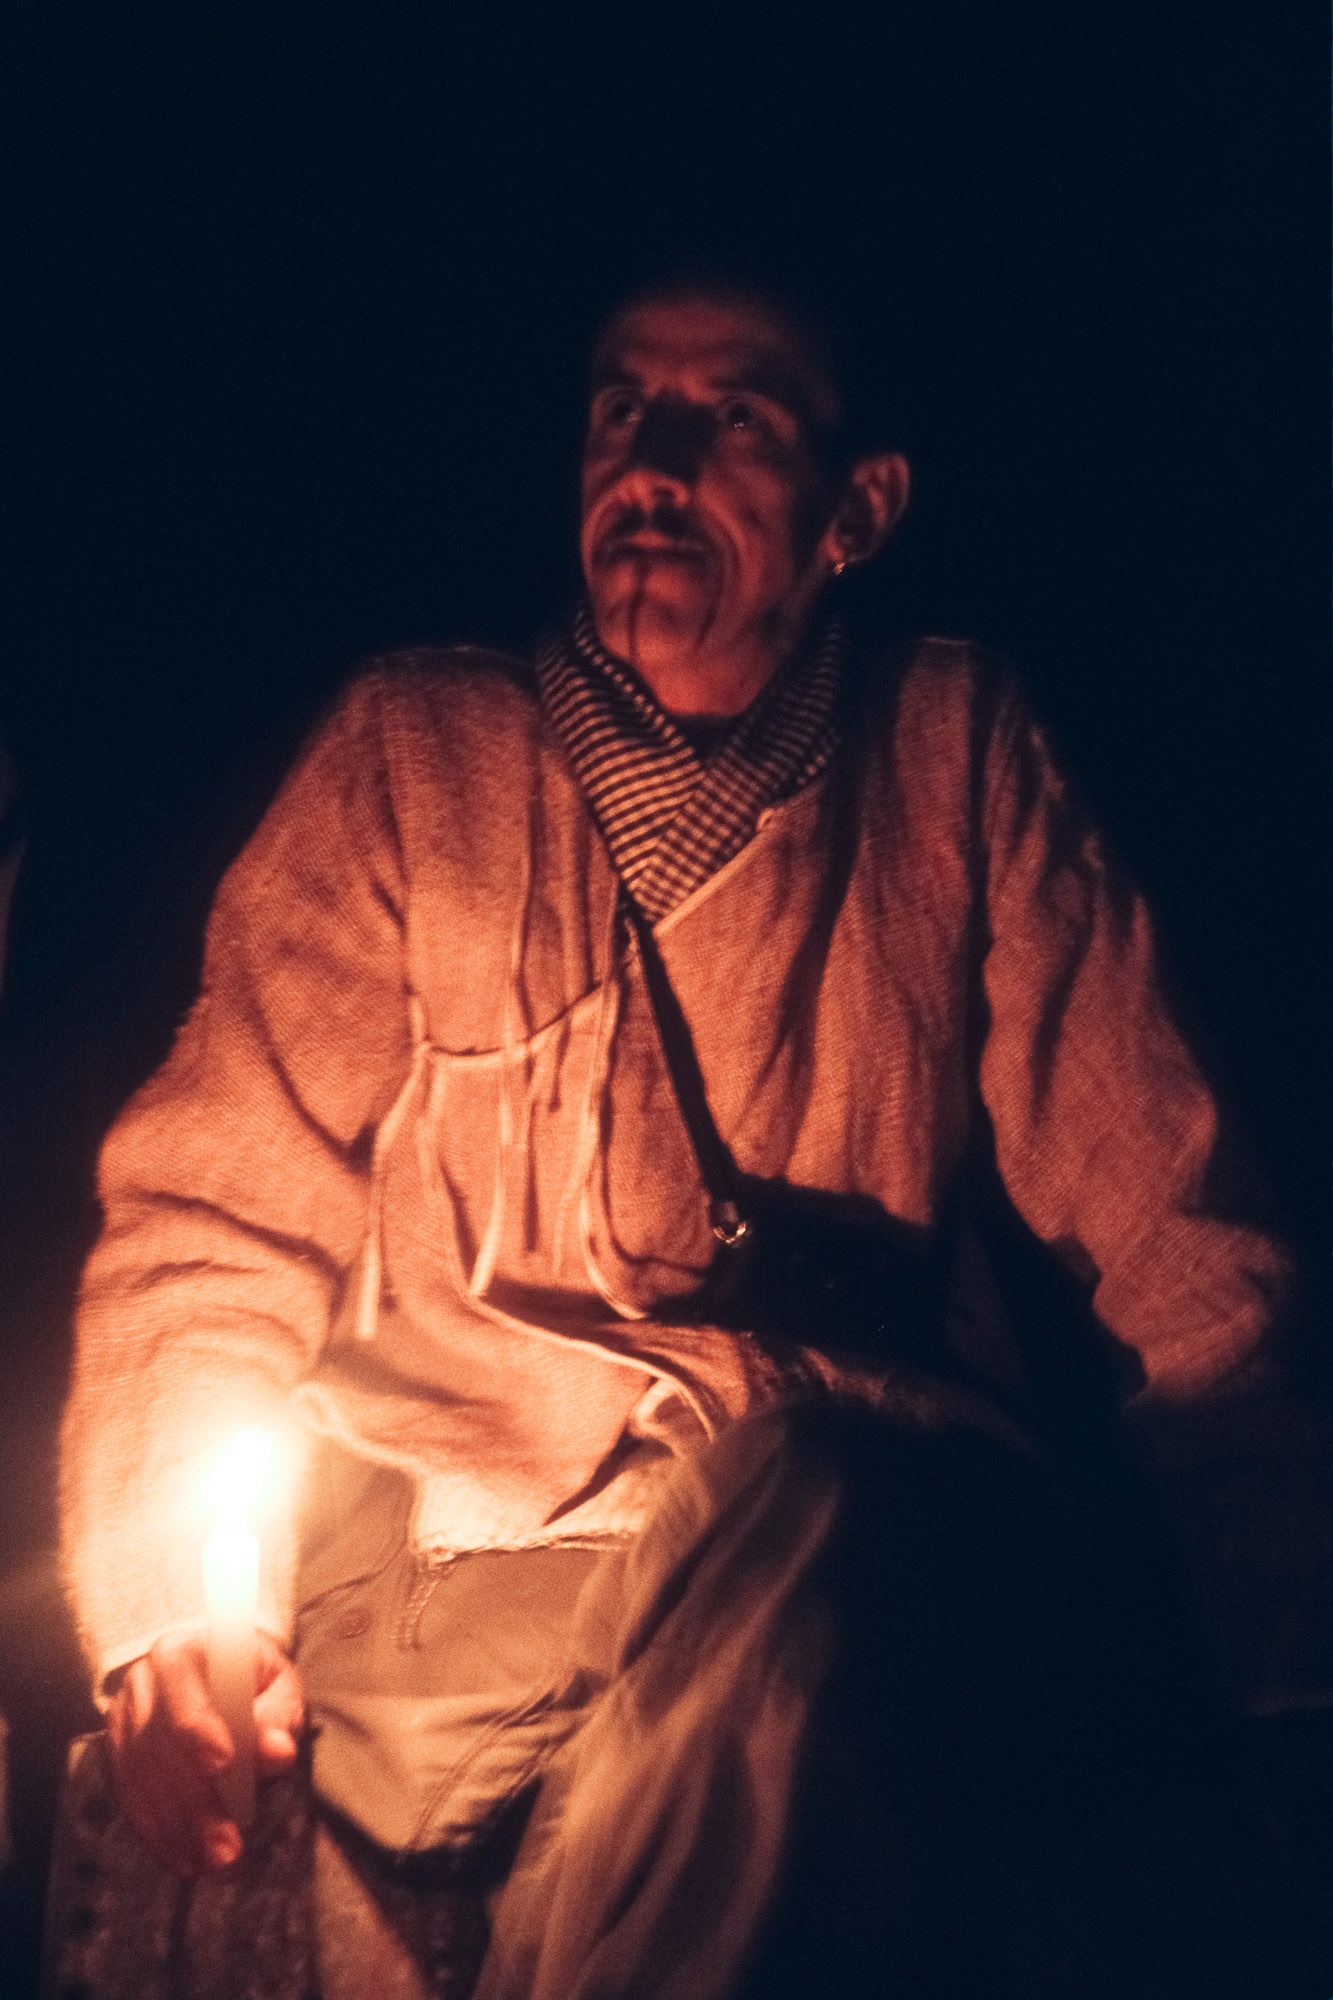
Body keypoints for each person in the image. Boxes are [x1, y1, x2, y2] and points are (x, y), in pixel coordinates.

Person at [59, 277, 1317, 1997]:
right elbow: (217, 1214)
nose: (647, 461)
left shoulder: (949, 755)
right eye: (615, 408)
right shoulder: (418, 756)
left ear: (855, 509)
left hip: (870, 1552)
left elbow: (1186, 1260)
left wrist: (1289, 1656)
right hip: (484, 1591)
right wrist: (173, 1625)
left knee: (810, 1552)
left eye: (730, 416)